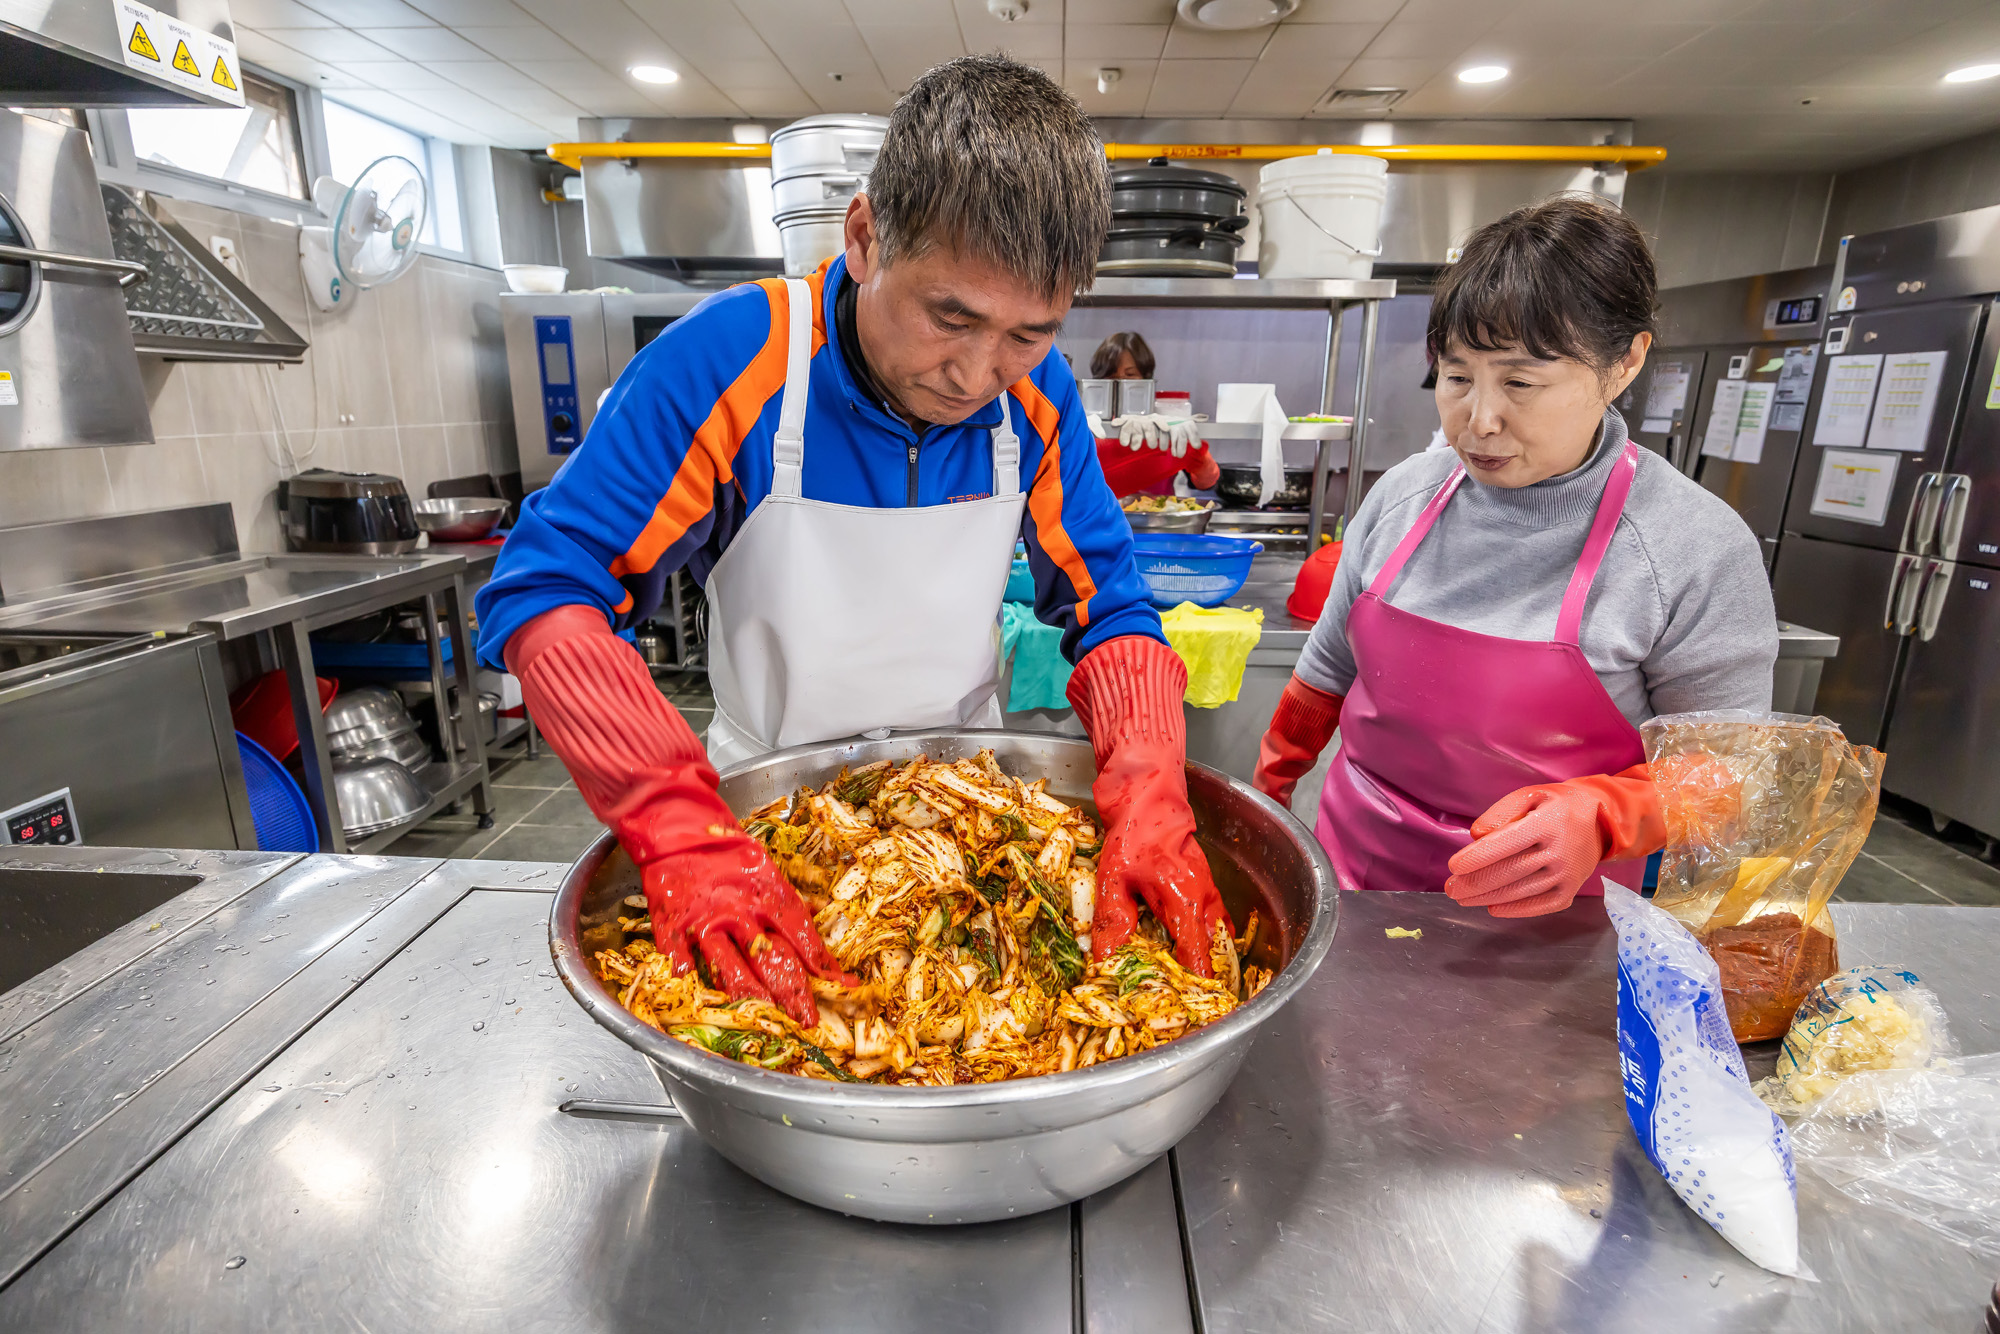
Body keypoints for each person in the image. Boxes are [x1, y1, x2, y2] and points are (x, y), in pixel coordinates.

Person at [475, 56, 1230, 1024]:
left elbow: (1108, 608)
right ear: (866, 236)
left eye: (1026, 334)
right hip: (761, 825)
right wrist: (678, 830)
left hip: (970, 826)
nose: (975, 373)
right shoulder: (731, 361)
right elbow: (545, 587)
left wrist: (1148, 782)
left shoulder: (1035, 403)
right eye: (949, 316)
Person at [1252, 196, 1777, 917]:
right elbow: (1325, 676)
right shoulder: (1404, 497)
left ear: (1624, 363)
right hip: (1357, 883)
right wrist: (1267, 798)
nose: (1480, 419)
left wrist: (1604, 816)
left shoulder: (1691, 548)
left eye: (1521, 383)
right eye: (1458, 377)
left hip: (1552, 919)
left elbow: (1731, 773)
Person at [1085, 332, 1221, 494]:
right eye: (1111, 376)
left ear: (1146, 378)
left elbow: (1205, 483)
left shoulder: (1165, 423)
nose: (1121, 383)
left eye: (1130, 375)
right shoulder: (1090, 424)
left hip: (1158, 516)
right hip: (1100, 517)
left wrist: (1197, 454)